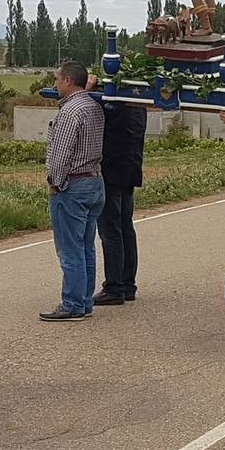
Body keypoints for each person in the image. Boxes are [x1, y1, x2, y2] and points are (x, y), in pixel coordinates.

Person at [40, 61, 106, 322]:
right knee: (86, 246)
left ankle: (72, 304)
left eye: (57, 79)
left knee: (69, 249)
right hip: (94, 181)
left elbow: (61, 153)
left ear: (68, 81)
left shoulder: (70, 112)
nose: (55, 84)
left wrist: (55, 182)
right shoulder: (94, 106)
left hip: (73, 185)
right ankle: (85, 300)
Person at [89, 75, 148, 306]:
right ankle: (127, 283)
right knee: (125, 227)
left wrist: (90, 90)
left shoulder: (113, 105)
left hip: (111, 172)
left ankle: (114, 287)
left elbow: (90, 113)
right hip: (130, 169)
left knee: (110, 230)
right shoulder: (138, 105)